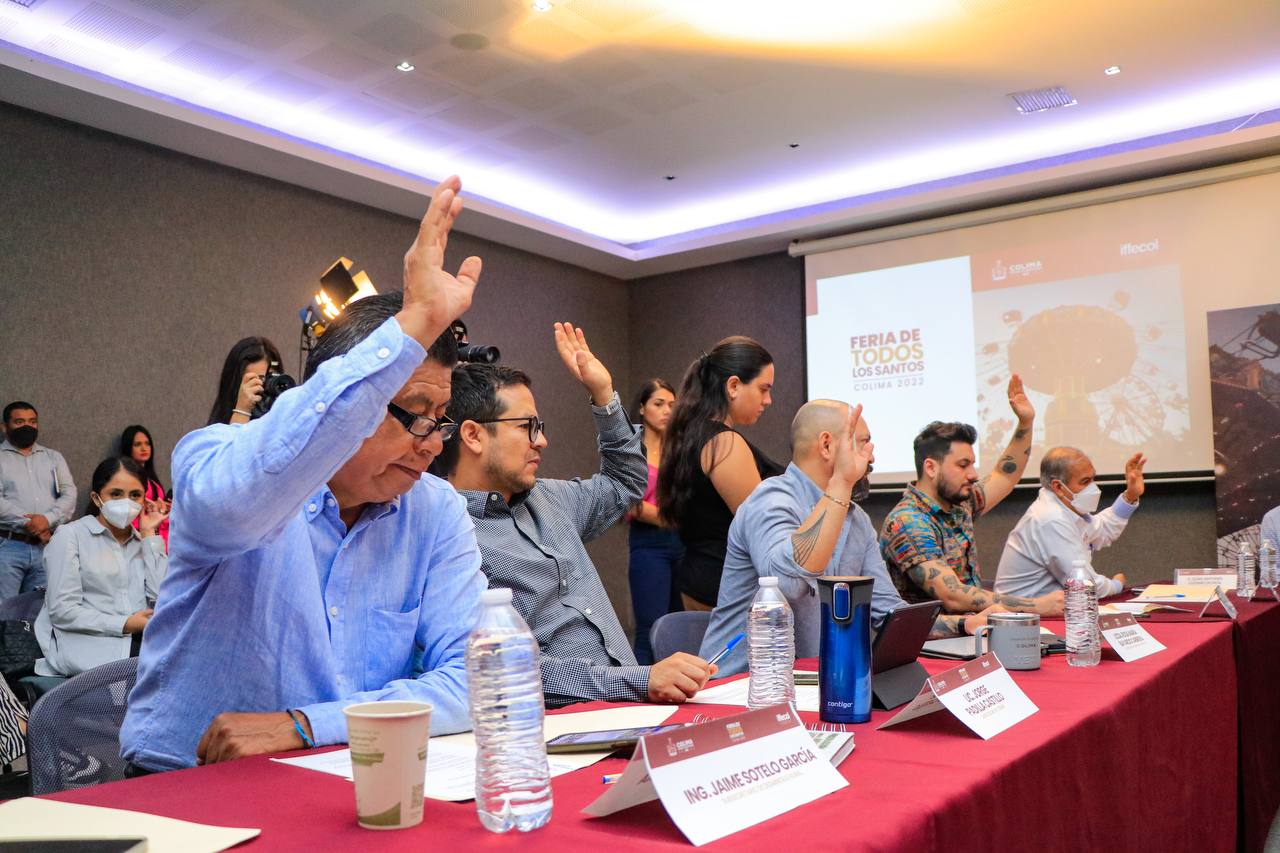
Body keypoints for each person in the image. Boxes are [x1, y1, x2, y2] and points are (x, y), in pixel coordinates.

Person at [121, 175, 485, 772]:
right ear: (351, 397)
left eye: (440, 419)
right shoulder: (214, 458)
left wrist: (307, 726)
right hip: (184, 781)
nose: (430, 444)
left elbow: (471, 680)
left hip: (346, 771)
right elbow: (242, 500)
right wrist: (413, 324)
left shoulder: (436, 509)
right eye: (413, 414)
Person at [438, 324, 716, 706]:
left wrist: (603, 395)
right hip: (561, 724)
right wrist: (638, 681)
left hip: (632, 708)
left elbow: (625, 483)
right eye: (526, 427)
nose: (542, 441)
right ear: (473, 435)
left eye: (539, 427)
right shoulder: (452, 536)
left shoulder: (549, 498)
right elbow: (508, 666)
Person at [701, 401, 996, 677]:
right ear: (827, 446)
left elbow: (888, 613)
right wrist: (841, 481)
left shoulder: (856, 519)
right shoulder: (770, 500)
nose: (872, 456)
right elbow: (789, 584)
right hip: (742, 686)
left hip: (811, 683)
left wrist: (965, 623)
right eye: (863, 442)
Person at [879, 376, 1064, 616]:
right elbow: (952, 595)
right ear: (931, 468)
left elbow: (1004, 475)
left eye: (972, 464)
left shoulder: (958, 503)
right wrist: (1037, 606)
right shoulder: (908, 521)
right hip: (935, 638)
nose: (973, 474)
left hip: (974, 629)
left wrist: (1026, 423)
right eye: (963, 465)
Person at [658, 337, 784, 611]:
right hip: (725, 591)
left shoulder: (691, 434)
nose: (768, 400)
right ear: (734, 386)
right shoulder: (724, 443)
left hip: (701, 581)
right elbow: (760, 528)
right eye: (763, 389)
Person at [34, 457, 169, 678]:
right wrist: (125, 624)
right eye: (116, 494)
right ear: (97, 498)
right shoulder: (70, 536)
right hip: (88, 650)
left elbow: (161, 597)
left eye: (135, 495)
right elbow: (63, 612)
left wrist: (149, 534)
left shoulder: (142, 542)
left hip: (140, 649)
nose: (126, 502)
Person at [995, 448, 1147, 599]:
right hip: (1020, 611)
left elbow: (1102, 530)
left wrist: (1130, 496)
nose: (1093, 488)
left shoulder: (1065, 507)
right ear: (1058, 487)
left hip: (1050, 606)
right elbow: (1083, 586)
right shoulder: (1050, 519)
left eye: (1093, 479)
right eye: (1085, 482)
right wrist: (1117, 585)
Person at [627, 378, 684, 665]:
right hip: (648, 543)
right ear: (642, 408)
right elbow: (629, 501)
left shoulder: (680, 449)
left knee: (681, 626)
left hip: (684, 543)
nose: (666, 411)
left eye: (672, 405)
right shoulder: (630, 450)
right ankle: (640, 685)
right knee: (650, 628)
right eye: (659, 404)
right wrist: (671, 518)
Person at [0, 401, 77, 601]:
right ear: (5, 427)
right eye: (19, 422)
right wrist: (32, 523)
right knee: (4, 610)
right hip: (7, 547)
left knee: (39, 610)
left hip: (46, 547)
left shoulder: (53, 457)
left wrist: (47, 520)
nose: (27, 426)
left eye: (32, 422)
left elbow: (69, 495)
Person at [206, 336, 286, 426]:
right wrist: (242, 410)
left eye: (270, 378)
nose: (264, 386)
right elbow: (234, 435)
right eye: (255, 380)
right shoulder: (215, 431)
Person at [120, 425, 171, 549]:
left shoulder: (152, 479)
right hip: (139, 535)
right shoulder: (126, 477)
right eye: (137, 444)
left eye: (147, 444)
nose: (144, 448)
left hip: (160, 534)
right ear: (128, 448)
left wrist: (166, 507)